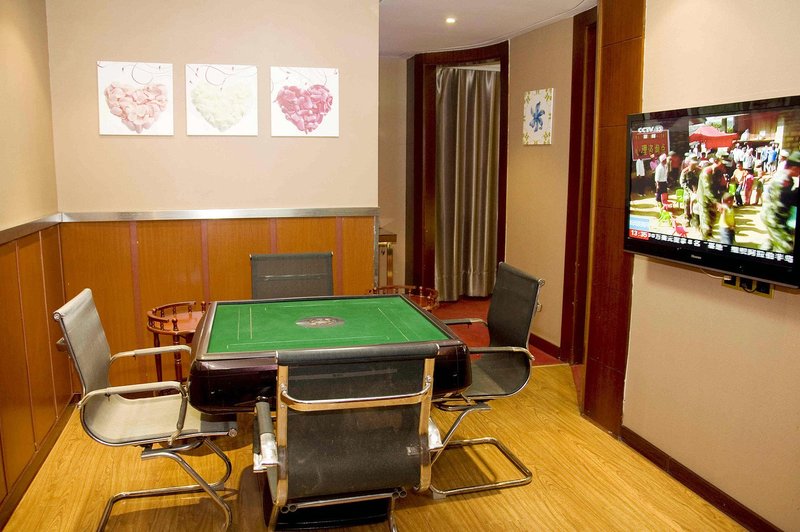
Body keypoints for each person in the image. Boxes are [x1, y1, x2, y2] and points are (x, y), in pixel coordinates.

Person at [760, 151, 800, 252]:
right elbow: (782, 202)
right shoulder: (783, 180)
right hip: (774, 218)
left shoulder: (784, 176)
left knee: (780, 241)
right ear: (794, 167)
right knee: (786, 248)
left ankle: (769, 245)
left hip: (773, 215)